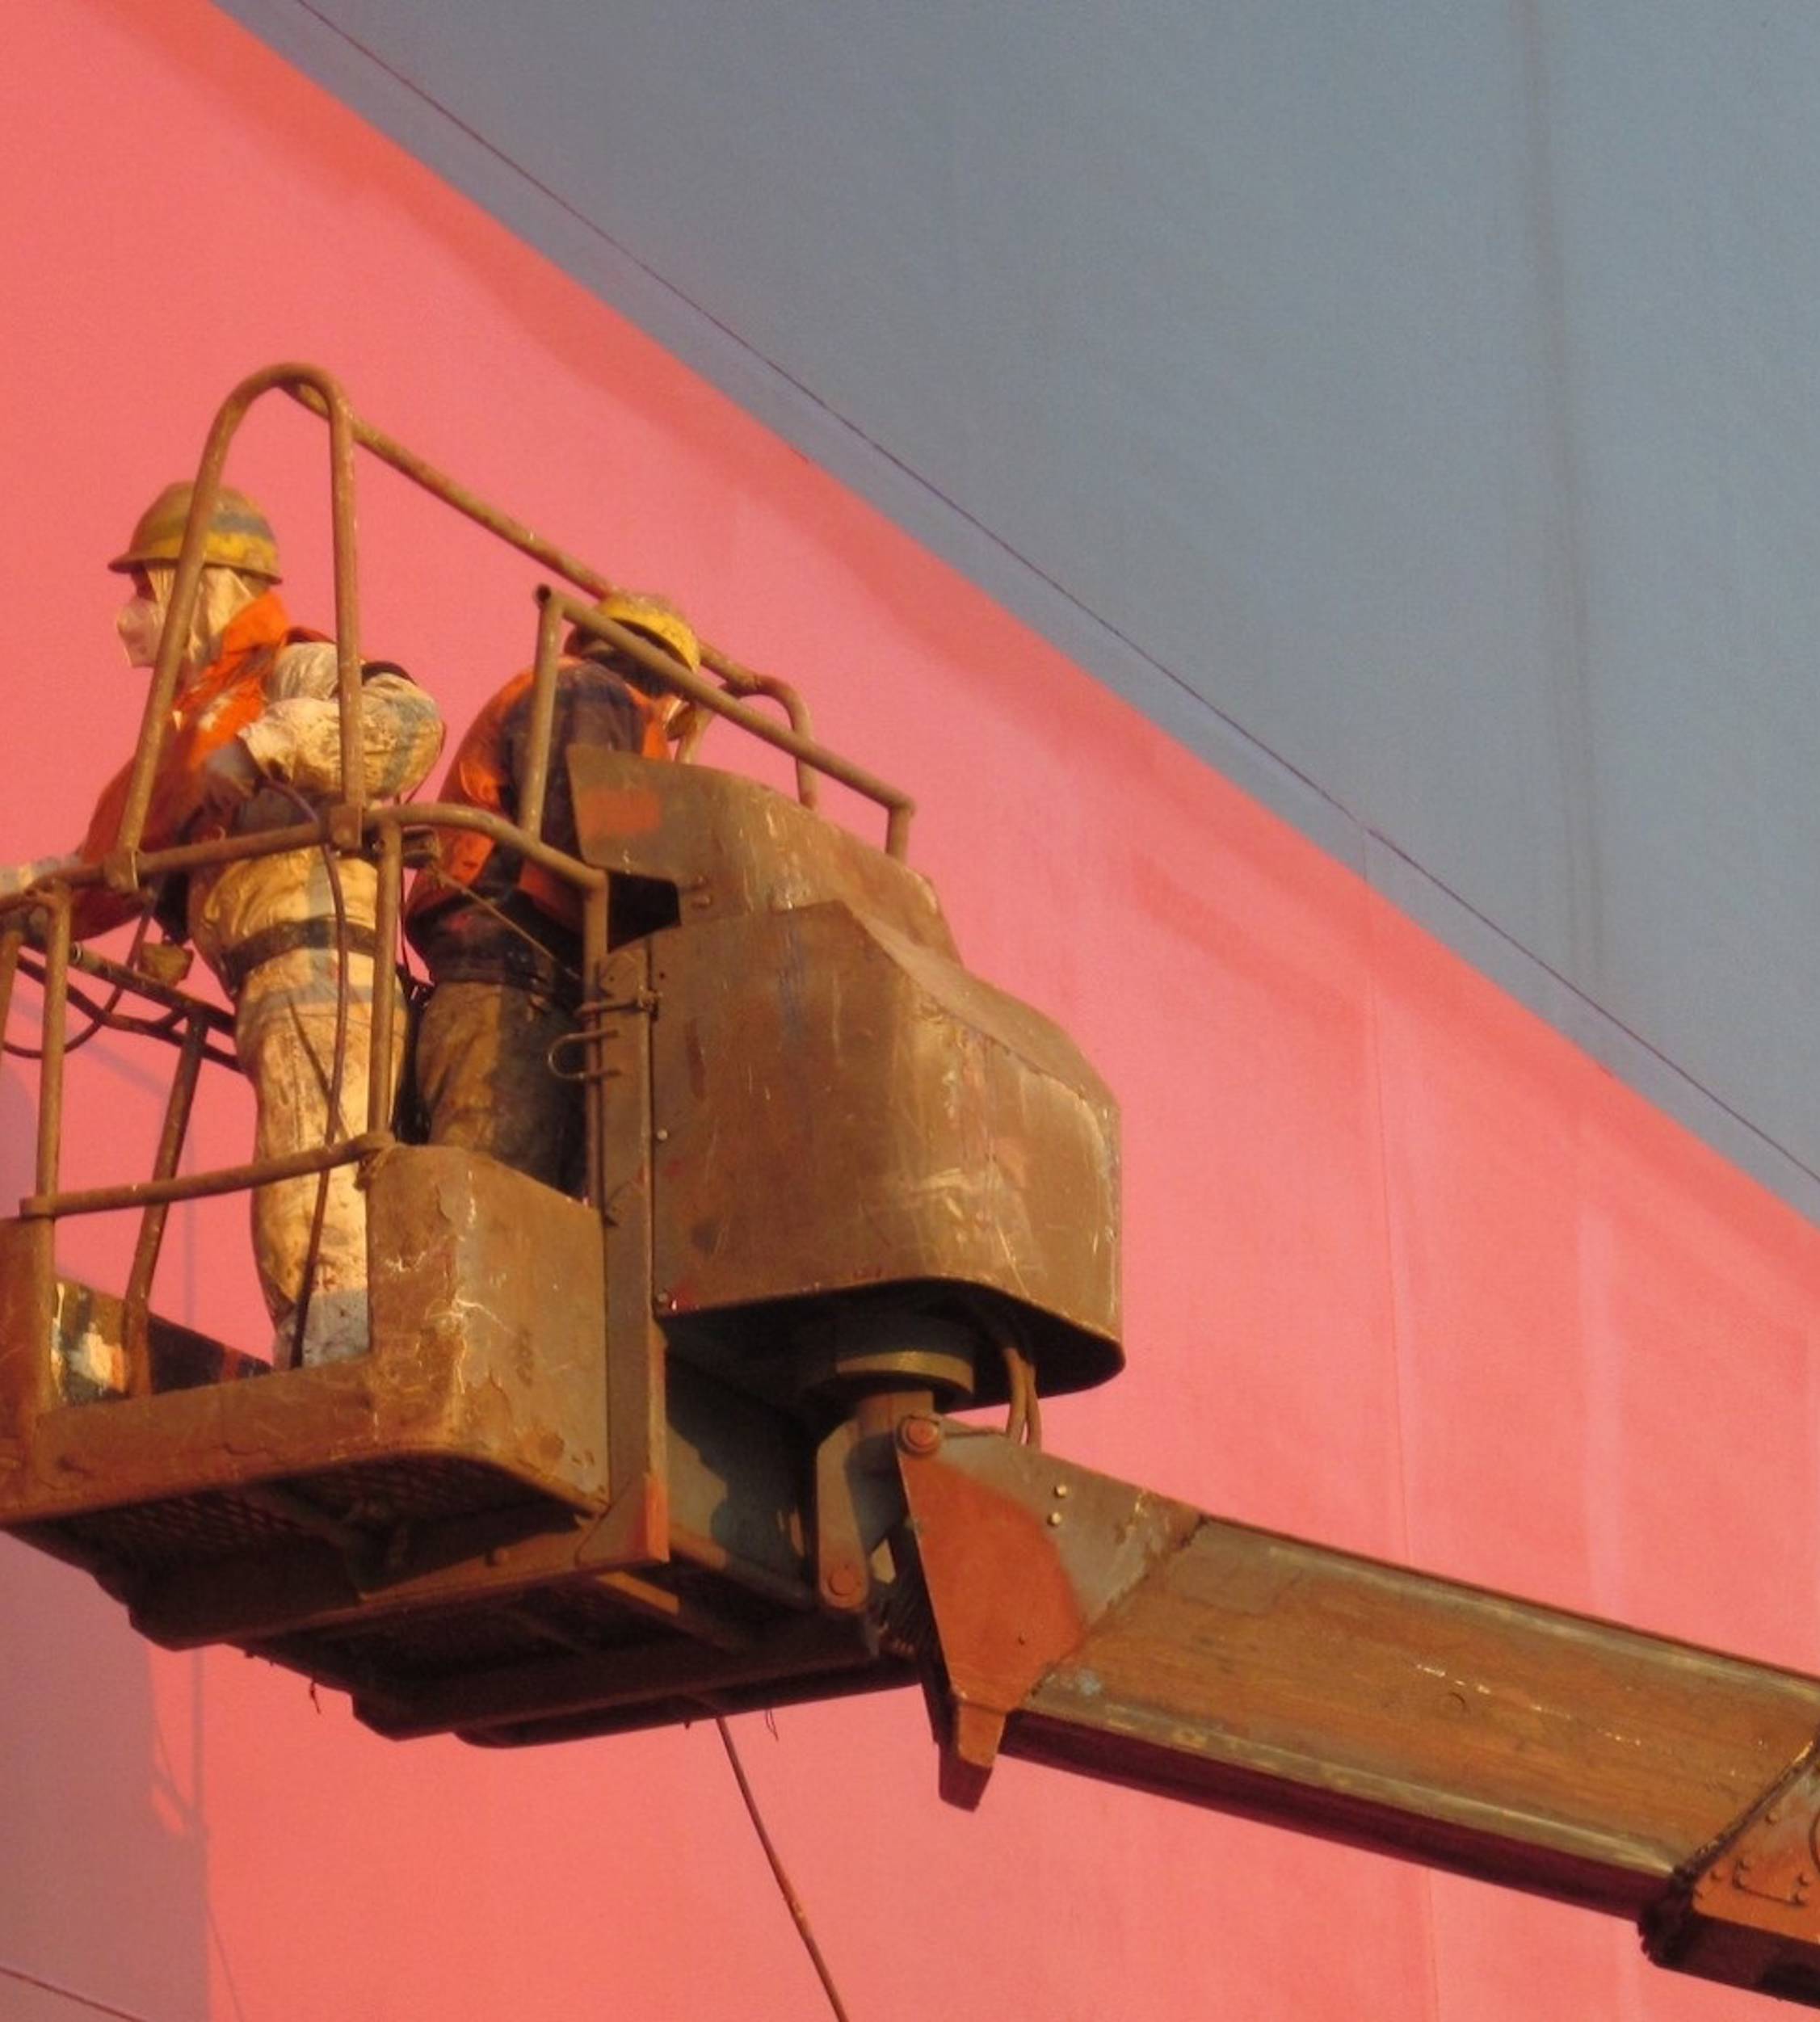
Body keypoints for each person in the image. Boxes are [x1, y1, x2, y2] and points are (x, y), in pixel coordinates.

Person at [0, 481, 443, 1368]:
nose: (129, 620)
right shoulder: (180, 740)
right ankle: (328, 1355)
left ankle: (338, 1367)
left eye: (143, 591)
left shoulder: (290, 668)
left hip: (325, 973)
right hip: (271, 986)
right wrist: (23, 892)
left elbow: (408, 722)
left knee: (311, 1189)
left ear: (198, 586)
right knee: (300, 1184)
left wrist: (271, 747)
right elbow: (108, 867)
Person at [404, 590, 697, 1192]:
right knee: (492, 1196)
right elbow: (588, 832)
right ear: (674, 697)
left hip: (530, 982)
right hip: (512, 976)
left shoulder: (575, 691)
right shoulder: (595, 694)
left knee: (526, 1218)